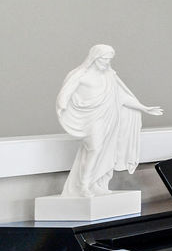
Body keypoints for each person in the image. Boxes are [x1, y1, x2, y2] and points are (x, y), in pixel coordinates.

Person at [54, 44, 163, 198]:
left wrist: (144, 108)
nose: (107, 63)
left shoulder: (109, 75)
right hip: (93, 118)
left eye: (109, 60)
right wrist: (62, 106)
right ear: (94, 57)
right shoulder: (80, 74)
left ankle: (97, 183)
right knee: (95, 149)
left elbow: (122, 97)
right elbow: (65, 92)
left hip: (110, 119)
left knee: (108, 151)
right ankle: (83, 185)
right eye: (104, 59)